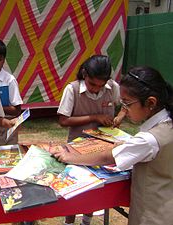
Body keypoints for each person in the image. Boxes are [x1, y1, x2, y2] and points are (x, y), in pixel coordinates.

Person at [51, 66, 173, 225]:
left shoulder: (149, 139)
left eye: (127, 104)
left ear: (150, 102)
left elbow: (108, 157)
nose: (125, 110)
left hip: (152, 214)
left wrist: (71, 157)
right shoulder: (167, 123)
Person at [57, 55, 125, 225]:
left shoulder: (112, 87)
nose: (96, 89)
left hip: (104, 147)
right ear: (84, 74)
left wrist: (119, 118)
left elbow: (125, 105)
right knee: (74, 189)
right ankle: (69, 222)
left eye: (100, 85)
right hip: (77, 147)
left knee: (95, 188)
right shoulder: (72, 90)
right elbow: (63, 120)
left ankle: (86, 220)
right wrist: (94, 116)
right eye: (92, 84)